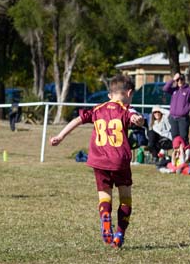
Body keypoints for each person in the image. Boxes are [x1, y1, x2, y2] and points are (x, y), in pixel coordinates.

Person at [50, 74, 145, 248]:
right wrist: (138, 120)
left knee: (104, 196)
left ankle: (105, 217)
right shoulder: (126, 109)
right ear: (129, 92)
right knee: (125, 198)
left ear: (110, 95)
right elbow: (134, 116)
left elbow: (78, 119)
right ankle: (119, 236)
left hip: (99, 160)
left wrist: (60, 136)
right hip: (119, 161)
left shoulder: (97, 109)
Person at [162, 72, 190, 144]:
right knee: (175, 138)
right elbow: (165, 88)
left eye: (181, 79)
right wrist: (173, 79)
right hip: (173, 118)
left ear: (184, 80)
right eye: (178, 80)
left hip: (183, 118)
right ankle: (177, 154)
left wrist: (186, 109)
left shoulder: (189, 90)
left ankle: (185, 153)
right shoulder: (174, 90)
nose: (180, 81)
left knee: (183, 137)